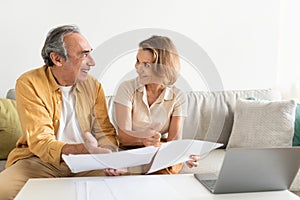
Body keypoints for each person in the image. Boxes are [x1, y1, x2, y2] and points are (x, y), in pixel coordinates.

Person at [0, 25, 125, 200]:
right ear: (57, 59)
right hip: (41, 161)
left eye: (90, 53)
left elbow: (106, 131)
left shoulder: (93, 86)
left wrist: (109, 156)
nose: (92, 62)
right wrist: (83, 149)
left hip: (89, 163)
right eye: (83, 54)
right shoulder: (29, 83)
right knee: (2, 190)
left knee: (128, 184)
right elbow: (41, 142)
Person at [114, 35, 200, 174]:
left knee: (167, 161)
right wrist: (144, 140)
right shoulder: (127, 88)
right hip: (131, 151)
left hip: (160, 151)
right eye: (137, 61)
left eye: (146, 64)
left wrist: (184, 154)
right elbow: (123, 137)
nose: (138, 68)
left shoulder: (178, 96)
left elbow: (174, 141)